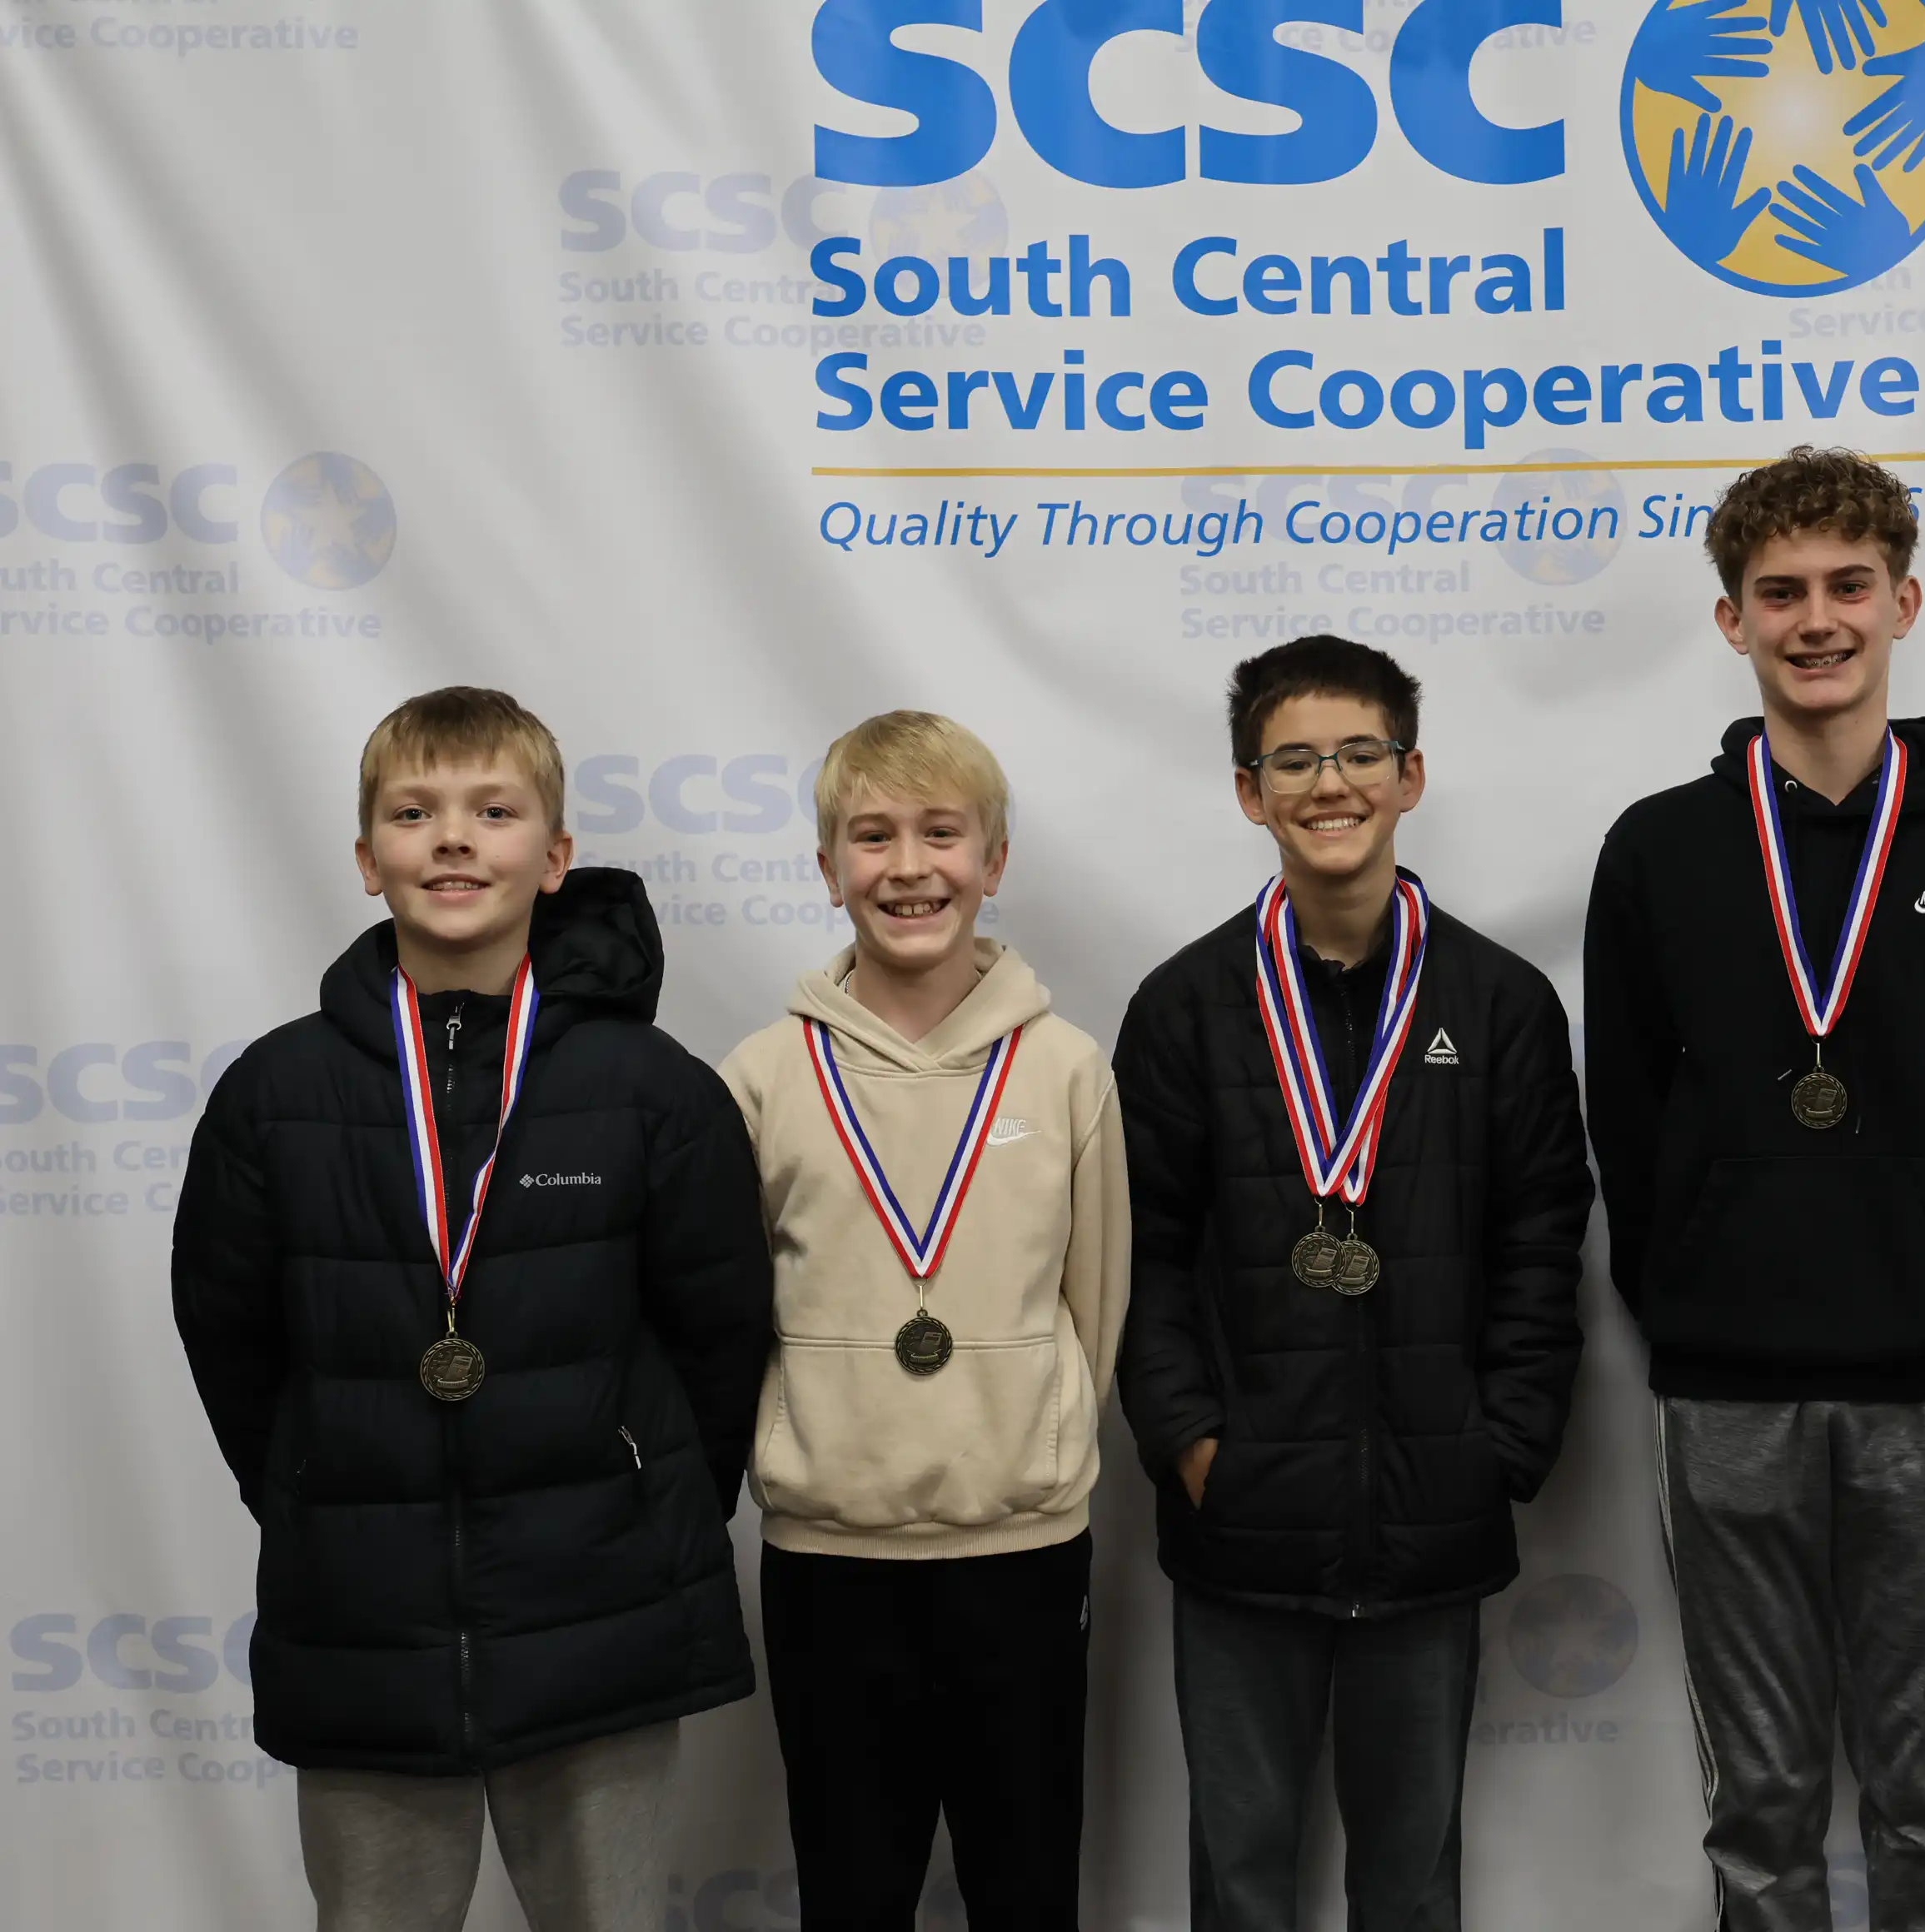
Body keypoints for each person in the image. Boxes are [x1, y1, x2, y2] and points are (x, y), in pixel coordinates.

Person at [171, 686, 772, 1932]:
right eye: (414, 812)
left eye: (493, 811)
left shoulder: (651, 1089)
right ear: (365, 856)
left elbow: (720, 1339)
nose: (453, 839)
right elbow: (230, 1338)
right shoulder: (276, 1094)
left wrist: (635, 1489)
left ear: (555, 858)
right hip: (362, 1612)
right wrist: (317, 1480)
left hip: (598, 1597)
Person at [1583, 446, 1925, 1930]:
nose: (1818, 620)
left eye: (1848, 587)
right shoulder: (1660, 850)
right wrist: (1687, 1293)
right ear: (1731, 619)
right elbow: (1625, 1107)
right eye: (1780, 592)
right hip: (1728, 1384)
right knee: (1761, 1807)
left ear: (1904, 602)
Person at [1114, 634, 1592, 1932]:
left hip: (1433, 1513)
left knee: (1411, 1884)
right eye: (1295, 759)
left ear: (1411, 774)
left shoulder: (1500, 1003)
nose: (1331, 783)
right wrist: (1189, 1443)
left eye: (1360, 753)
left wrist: (1498, 1448)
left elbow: (1547, 1240)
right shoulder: (1185, 1005)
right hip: (1243, 1515)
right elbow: (1137, 1252)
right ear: (1248, 790)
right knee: (1243, 1880)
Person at [720, 710, 1126, 1931]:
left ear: (993, 861)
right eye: (873, 837)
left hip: (1020, 1546)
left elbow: (1094, 1305)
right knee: (852, 1889)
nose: (909, 868)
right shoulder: (762, 1076)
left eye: (942, 835)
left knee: (1025, 1885)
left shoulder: (1064, 1069)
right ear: (828, 867)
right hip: (829, 1556)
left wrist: (1034, 1440)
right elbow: (735, 1315)